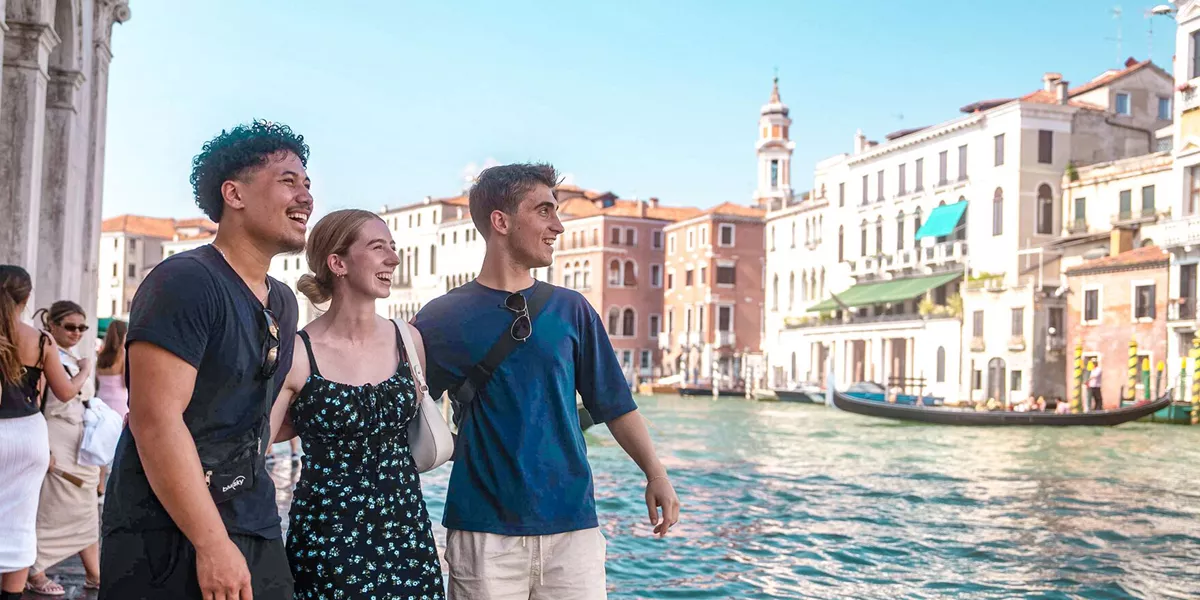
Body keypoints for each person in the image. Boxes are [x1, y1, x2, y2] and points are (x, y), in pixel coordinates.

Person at [414, 163, 680, 599]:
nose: (558, 226)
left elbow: (616, 404)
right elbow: (407, 405)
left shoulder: (573, 310)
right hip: (484, 534)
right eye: (543, 211)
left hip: (573, 529)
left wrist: (657, 474)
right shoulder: (441, 318)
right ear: (500, 221)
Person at [99, 121, 310, 600]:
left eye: (307, 183)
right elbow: (155, 421)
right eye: (287, 180)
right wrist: (211, 544)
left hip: (253, 517)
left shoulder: (283, 301)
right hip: (166, 529)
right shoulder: (184, 282)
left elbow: (251, 414)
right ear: (233, 194)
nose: (305, 196)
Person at [268, 209, 443, 598]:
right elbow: (258, 442)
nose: (393, 259)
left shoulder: (409, 340)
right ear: (338, 262)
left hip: (407, 536)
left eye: (393, 248)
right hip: (327, 544)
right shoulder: (298, 352)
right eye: (378, 247)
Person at [0, 267, 91, 600]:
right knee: (20, 521)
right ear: (26, 298)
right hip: (27, 436)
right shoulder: (39, 340)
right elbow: (65, 392)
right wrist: (83, 371)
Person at [26, 301, 102, 595]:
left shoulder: (70, 355)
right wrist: (85, 370)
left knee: (84, 509)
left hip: (81, 443)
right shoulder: (46, 354)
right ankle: (36, 571)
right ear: (53, 326)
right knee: (52, 509)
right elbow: (37, 401)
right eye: (70, 327)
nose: (77, 333)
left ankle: (94, 574)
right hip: (55, 435)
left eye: (82, 328)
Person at [93, 319, 127, 501]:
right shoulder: (123, 355)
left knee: (102, 444)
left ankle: (99, 486)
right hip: (119, 403)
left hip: (102, 401)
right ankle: (112, 488)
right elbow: (125, 382)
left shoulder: (102, 355)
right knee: (117, 446)